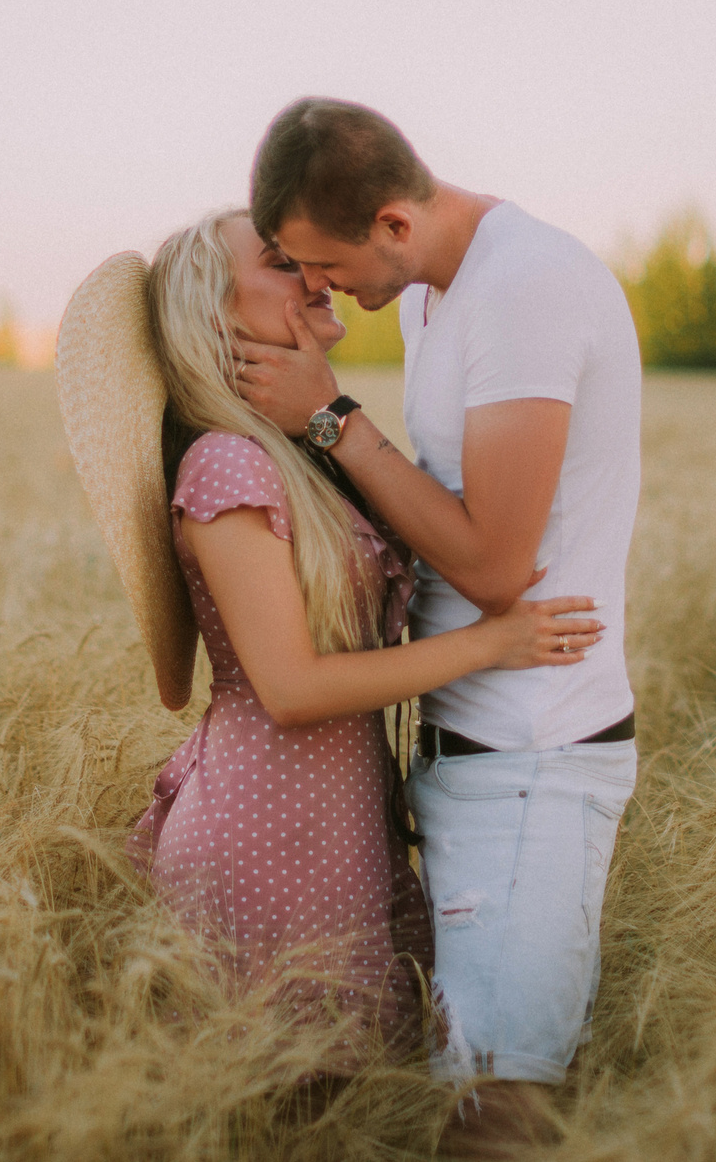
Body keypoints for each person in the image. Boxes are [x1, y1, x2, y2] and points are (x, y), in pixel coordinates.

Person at [232, 98, 642, 1158]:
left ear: (392, 224)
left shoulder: (525, 288)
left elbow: (498, 566)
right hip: (473, 747)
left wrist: (332, 420)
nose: (321, 290)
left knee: (497, 1113)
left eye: (324, 264)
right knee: (474, 1076)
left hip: (534, 753)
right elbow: (439, 510)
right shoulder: (429, 294)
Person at [126, 207, 608, 1076]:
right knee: (278, 1111)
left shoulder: (293, 456)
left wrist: (328, 418)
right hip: (263, 834)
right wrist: (492, 643)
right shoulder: (227, 466)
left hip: (328, 826)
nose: (314, 275)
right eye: (281, 263)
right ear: (217, 314)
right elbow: (290, 686)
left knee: (344, 1113)